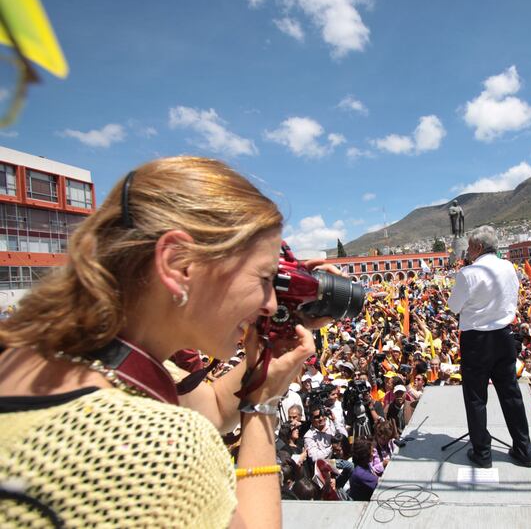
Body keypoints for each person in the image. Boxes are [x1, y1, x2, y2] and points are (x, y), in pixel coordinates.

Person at [0, 157, 321, 528]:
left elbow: (216, 407)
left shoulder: (44, 359)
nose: (271, 304)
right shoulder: (156, 445)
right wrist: (263, 406)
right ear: (178, 263)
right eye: (264, 279)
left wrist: (268, 357)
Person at [447, 226, 531, 468]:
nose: (468, 251)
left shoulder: (468, 273)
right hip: (505, 337)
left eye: (470, 247)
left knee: (476, 397)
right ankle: (524, 449)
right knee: (511, 394)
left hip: (476, 340)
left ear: (477, 247)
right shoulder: (508, 267)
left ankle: (482, 453)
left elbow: (453, 306)